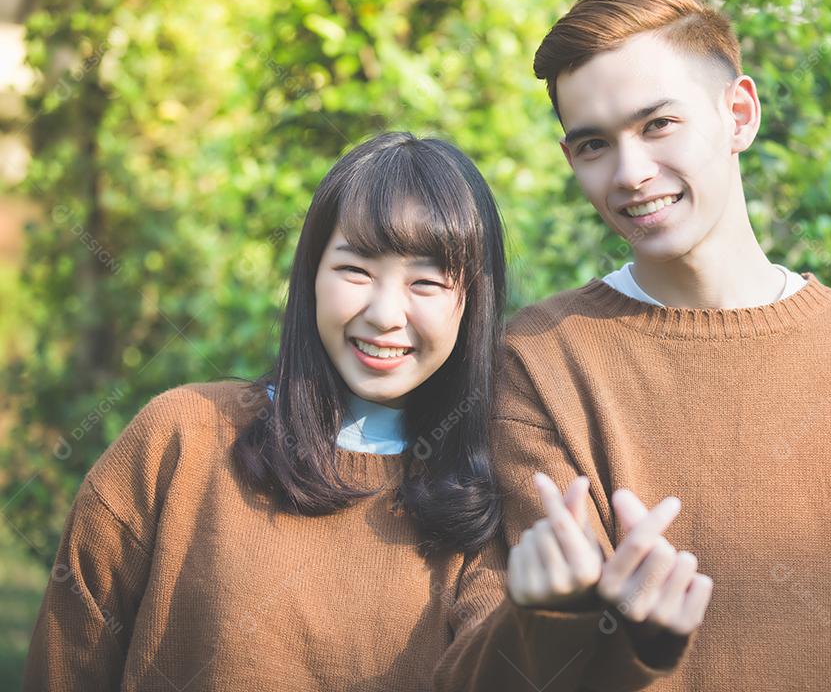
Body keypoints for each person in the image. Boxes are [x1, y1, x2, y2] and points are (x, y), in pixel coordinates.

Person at [480, 0, 831, 691]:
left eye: (658, 124)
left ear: (738, 114)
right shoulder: (537, 360)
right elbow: (555, 660)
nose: (630, 173)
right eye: (594, 144)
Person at [23, 132, 522, 691]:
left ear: (472, 303)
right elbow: (65, 663)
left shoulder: (487, 495)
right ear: (311, 275)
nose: (385, 314)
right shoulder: (181, 437)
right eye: (356, 270)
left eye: (426, 282)